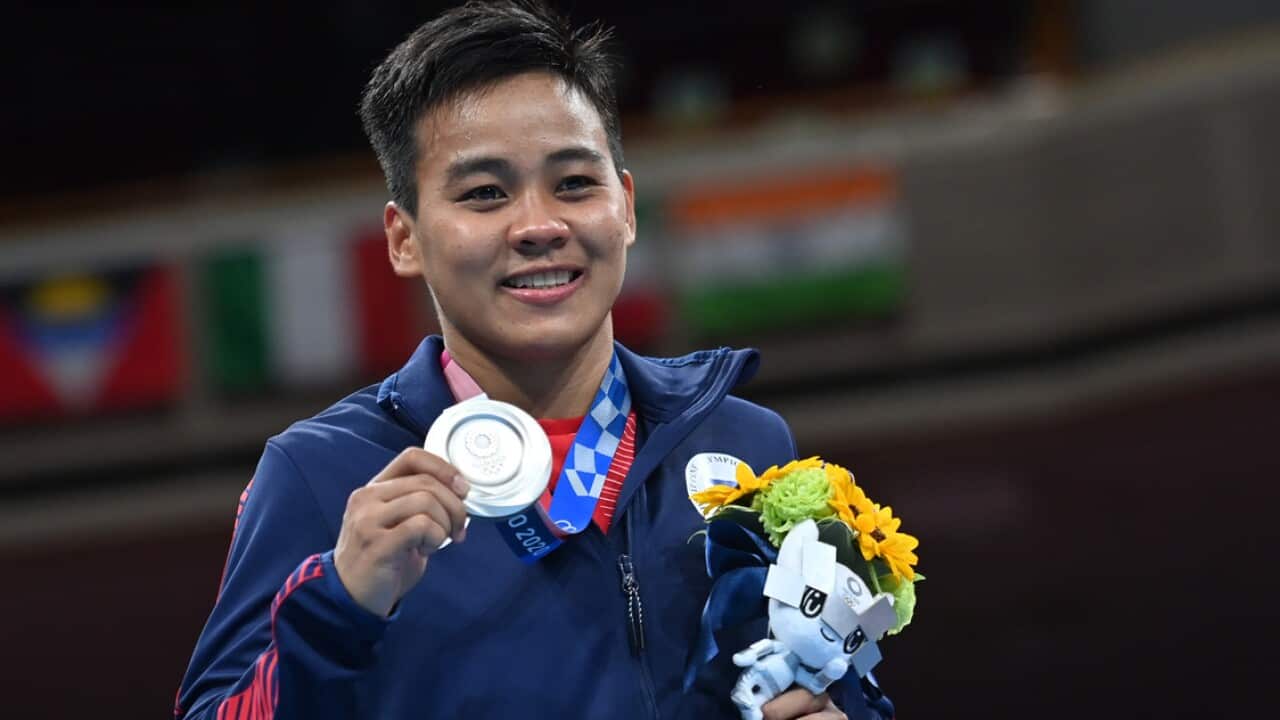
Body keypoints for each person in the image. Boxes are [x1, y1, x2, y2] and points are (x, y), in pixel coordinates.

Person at [175, 2, 893, 719]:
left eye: (575, 184)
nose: (540, 226)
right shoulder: (322, 476)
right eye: (484, 194)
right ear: (405, 238)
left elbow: (830, 679)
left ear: (628, 206)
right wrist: (340, 603)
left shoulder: (744, 448)